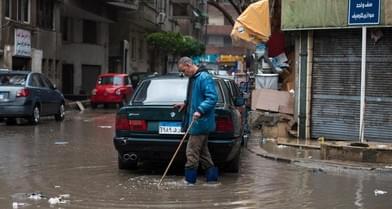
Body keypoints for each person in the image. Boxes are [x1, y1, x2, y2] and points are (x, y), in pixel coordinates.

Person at [176, 56, 219, 184]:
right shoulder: (194, 78)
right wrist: (185, 103)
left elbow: (212, 98)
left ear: (189, 65)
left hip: (200, 123)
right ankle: (212, 181)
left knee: (191, 153)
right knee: (204, 154)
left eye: (184, 71)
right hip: (199, 123)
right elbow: (195, 96)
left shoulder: (203, 77)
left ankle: (189, 182)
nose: (183, 74)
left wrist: (200, 110)